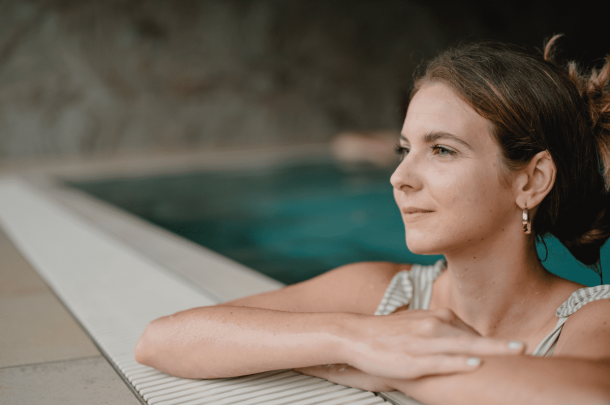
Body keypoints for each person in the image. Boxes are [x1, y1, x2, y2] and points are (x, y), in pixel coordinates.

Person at [134, 36, 610, 405]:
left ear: (531, 180)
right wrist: (357, 338)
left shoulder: (594, 317)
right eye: (405, 150)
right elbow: (164, 339)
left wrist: (389, 367)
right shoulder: (380, 296)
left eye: (441, 150)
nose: (399, 177)